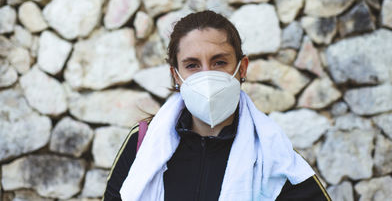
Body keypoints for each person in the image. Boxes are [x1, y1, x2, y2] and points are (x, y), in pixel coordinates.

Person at [103, 11, 331, 201]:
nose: (207, 75)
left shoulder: (272, 154)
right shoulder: (144, 143)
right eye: (192, 65)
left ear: (242, 68)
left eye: (219, 62)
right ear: (176, 75)